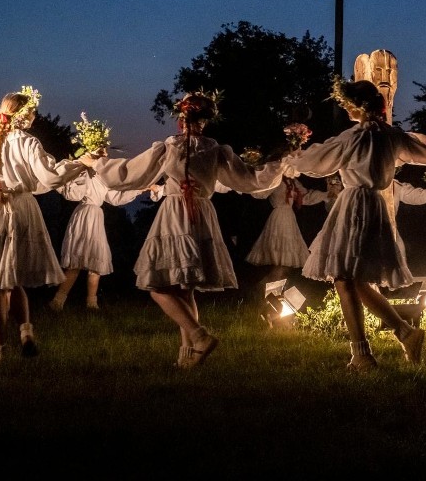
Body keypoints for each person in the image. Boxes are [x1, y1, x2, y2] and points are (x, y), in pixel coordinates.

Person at [82, 91, 285, 369]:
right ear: (205, 121)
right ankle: (187, 354)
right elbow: (247, 179)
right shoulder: (215, 149)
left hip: (177, 212)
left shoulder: (170, 147)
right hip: (202, 214)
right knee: (185, 288)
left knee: (157, 286)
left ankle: (200, 337)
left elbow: (132, 173)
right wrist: (279, 163)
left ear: (181, 119)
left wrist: (99, 162)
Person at [284, 79, 426, 371]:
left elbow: (316, 162)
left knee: (344, 276)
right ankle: (402, 333)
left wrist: (293, 149)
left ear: (357, 106)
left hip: (355, 205)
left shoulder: (354, 137)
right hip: (373, 205)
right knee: (353, 278)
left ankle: (364, 353)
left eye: (348, 103)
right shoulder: (391, 135)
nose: (345, 107)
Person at [0, 87, 87, 364]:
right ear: (25, 115)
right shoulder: (28, 143)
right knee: (14, 275)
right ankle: (25, 331)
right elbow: (51, 176)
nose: (35, 117)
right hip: (20, 207)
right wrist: (81, 163)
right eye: (33, 112)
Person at [48, 167, 146, 311]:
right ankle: (57, 302)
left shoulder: (103, 176)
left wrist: (139, 189)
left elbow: (115, 197)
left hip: (96, 216)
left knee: (96, 259)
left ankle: (92, 303)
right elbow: (74, 193)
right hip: (85, 215)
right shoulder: (84, 172)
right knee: (76, 262)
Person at [245, 174, 329, 290]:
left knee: (286, 264)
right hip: (279, 217)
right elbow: (261, 193)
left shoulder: (292, 181)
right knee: (281, 261)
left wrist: (326, 195)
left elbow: (306, 196)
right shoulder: (275, 178)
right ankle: (268, 291)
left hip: (289, 218)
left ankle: (273, 291)